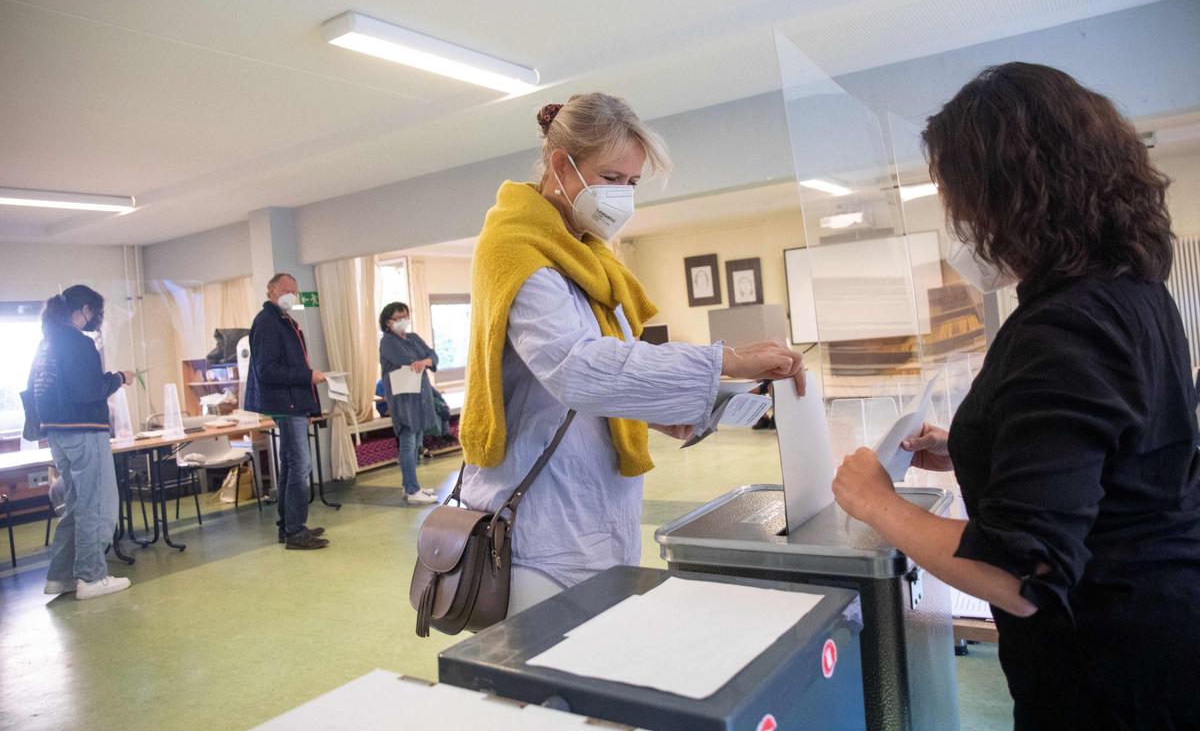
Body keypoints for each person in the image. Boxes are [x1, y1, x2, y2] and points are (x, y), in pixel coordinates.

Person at [831, 63, 1200, 729]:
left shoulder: (1061, 328)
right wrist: (988, 446)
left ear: (1007, 194)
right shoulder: (1131, 292)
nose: (957, 223)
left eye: (955, 198)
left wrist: (877, 503)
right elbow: (1118, 450)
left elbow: (1022, 576)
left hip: (1109, 673)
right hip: (1165, 618)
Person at [459, 93, 806, 615]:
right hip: (538, 527)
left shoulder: (590, 258)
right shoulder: (513, 250)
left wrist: (656, 411)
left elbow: (613, 367)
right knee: (550, 681)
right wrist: (725, 359)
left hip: (596, 512)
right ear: (561, 165)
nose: (623, 195)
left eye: (632, 183)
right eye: (611, 178)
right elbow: (578, 367)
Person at [33, 284, 135, 599]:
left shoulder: (47, 343)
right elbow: (88, 390)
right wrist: (119, 378)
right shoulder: (77, 342)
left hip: (57, 432)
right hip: (84, 430)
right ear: (85, 310)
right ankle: (91, 577)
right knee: (97, 504)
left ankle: (61, 577)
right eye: (96, 312)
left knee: (76, 505)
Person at [244, 273, 330, 550]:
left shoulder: (283, 321)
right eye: (285, 290)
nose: (290, 295)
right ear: (271, 291)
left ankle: (289, 526)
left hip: (293, 401)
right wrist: (307, 375)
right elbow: (267, 370)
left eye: (294, 291)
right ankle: (295, 530)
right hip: (286, 402)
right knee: (299, 466)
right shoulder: (267, 322)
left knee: (291, 465)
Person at [378, 301, 439, 505]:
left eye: (406, 316)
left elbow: (432, 355)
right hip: (403, 400)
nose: (404, 321)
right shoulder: (388, 341)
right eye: (398, 317)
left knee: (416, 443)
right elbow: (409, 359)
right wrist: (423, 360)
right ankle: (412, 489)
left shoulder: (412, 338)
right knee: (408, 443)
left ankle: (410, 485)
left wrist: (426, 361)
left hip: (419, 397)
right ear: (388, 322)